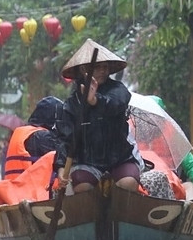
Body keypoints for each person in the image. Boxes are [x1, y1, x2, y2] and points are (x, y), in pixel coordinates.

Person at [57, 39, 142, 194]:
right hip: (87, 162)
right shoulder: (71, 104)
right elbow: (65, 139)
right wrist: (61, 168)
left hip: (120, 159)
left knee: (129, 183)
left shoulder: (118, 90)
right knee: (82, 188)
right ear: (84, 70)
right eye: (97, 67)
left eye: (105, 67)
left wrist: (96, 101)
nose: (103, 71)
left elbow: (117, 103)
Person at [143, 94, 193, 201]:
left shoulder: (172, 136)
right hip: (144, 187)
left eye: (156, 117)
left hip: (171, 186)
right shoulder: (132, 136)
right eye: (148, 117)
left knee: (190, 186)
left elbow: (190, 164)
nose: (152, 121)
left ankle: (189, 212)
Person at [2, 97, 66, 187]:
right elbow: (64, 155)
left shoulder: (22, 132)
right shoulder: (41, 136)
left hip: (13, 191)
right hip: (32, 193)